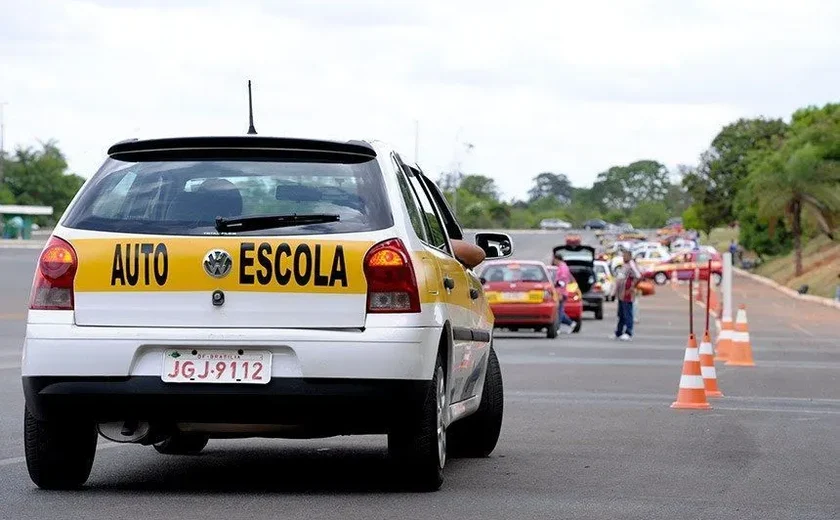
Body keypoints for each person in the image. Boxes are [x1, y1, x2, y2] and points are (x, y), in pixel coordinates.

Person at [613, 248, 641, 341]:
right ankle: (619, 332)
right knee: (621, 314)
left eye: (625, 255)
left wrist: (632, 287)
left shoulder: (631, 264)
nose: (623, 257)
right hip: (621, 294)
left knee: (627, 313)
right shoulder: (624, 265)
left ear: (629, 256)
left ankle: (628, 332)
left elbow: (638, 276)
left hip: (627, 293)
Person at [552, 252, 577, 334]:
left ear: (556, 259)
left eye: (554, 259)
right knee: (560, 310)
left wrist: (556, 284)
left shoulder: (563, 267)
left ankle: (558, 327)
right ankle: (571, 323)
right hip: (560, 291)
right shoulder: (562, 267)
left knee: (559, 312)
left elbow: (562, 280)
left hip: (561, 292)